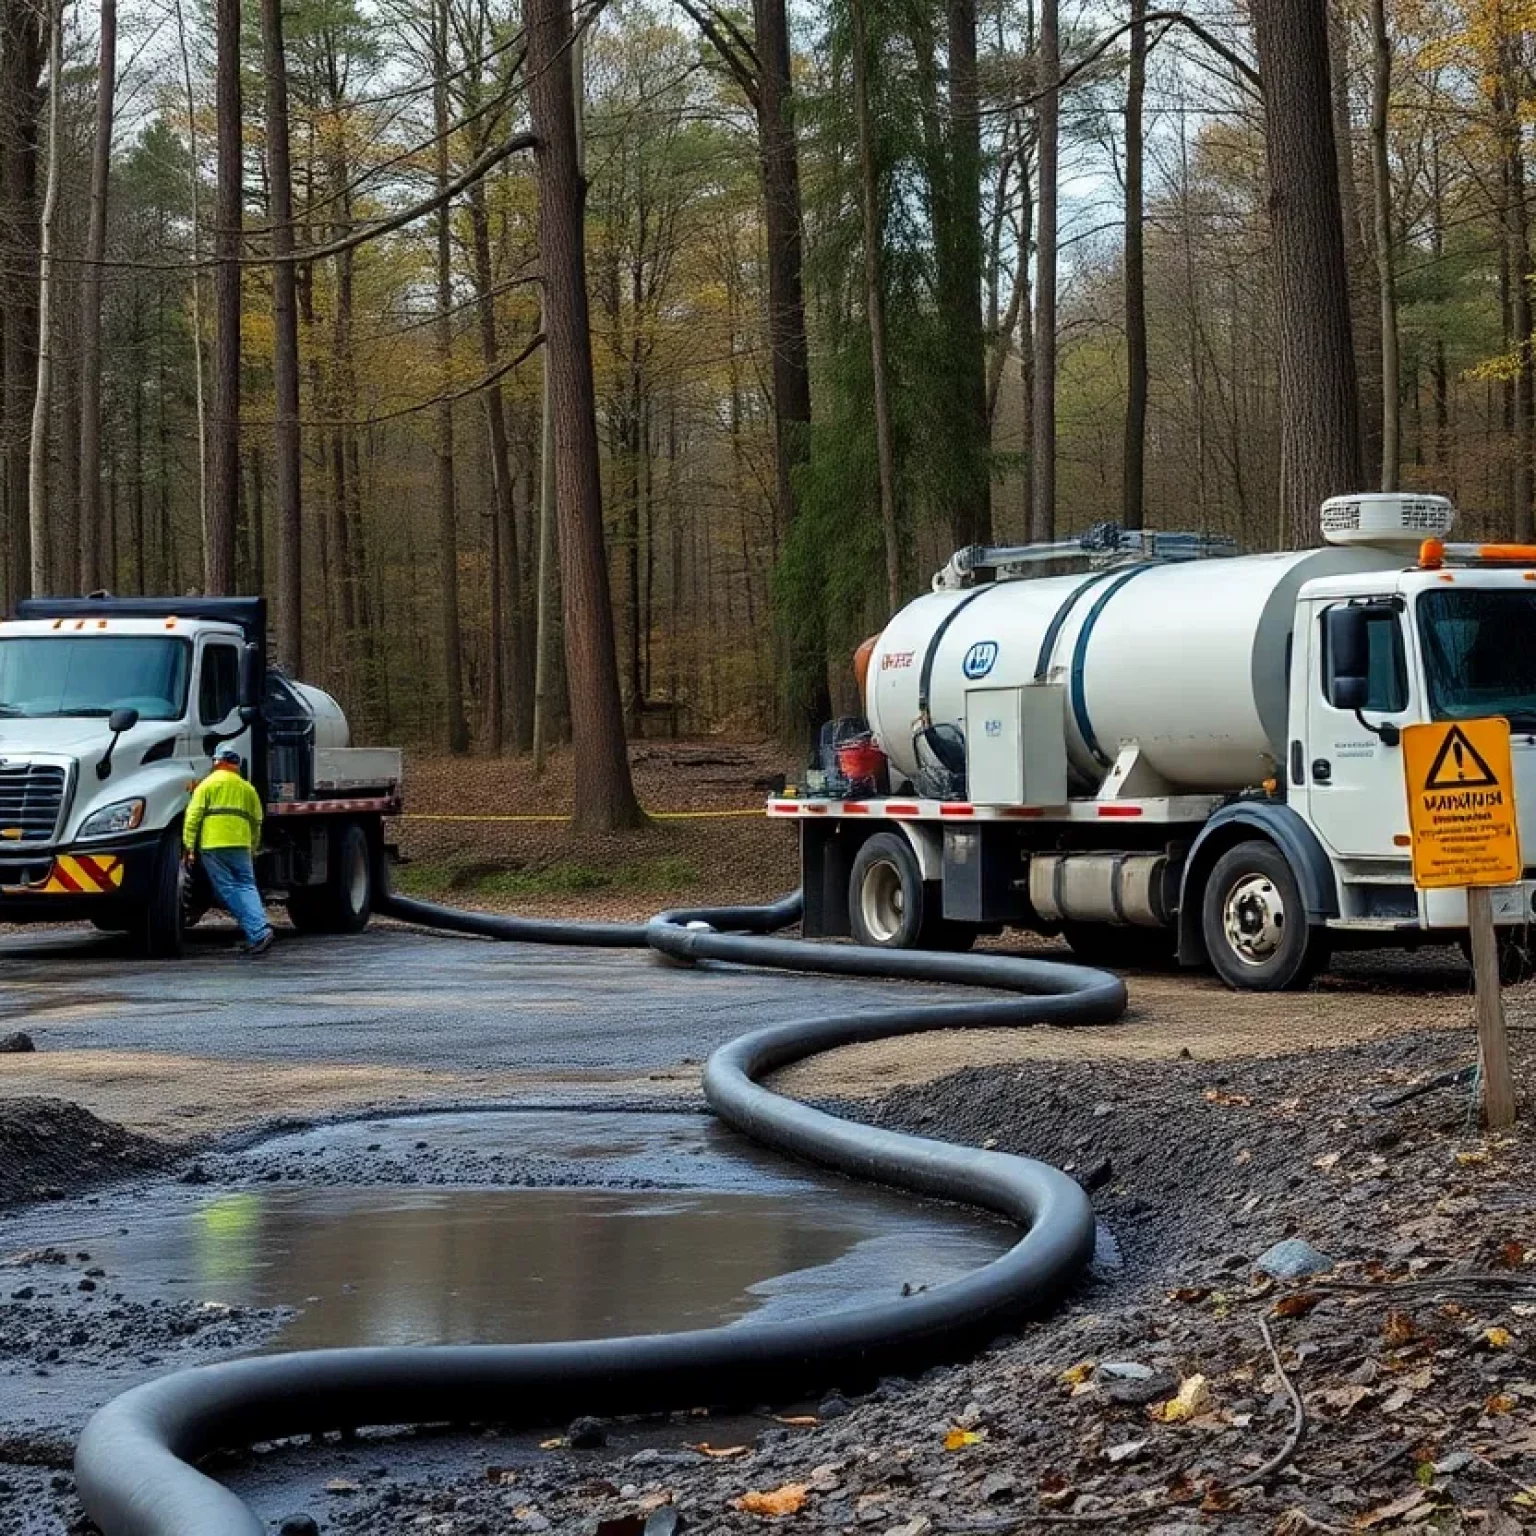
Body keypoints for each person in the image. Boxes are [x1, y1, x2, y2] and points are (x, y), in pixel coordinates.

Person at [184, 745, 274, 956]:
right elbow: (257, 820)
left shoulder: (207, 786)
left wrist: (189, 847)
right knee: (247, 886)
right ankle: (259, 928)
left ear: (216, 762)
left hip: (213, 846)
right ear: (236, 764)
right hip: (241, 845)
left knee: (228, 889)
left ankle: (258, 931)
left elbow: (192, 817)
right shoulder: (247, 788)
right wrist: (253, 845)